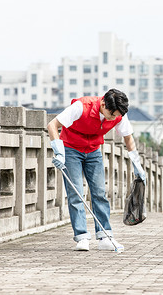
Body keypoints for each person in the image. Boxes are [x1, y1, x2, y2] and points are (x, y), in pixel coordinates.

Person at [47, 89, 146, 251]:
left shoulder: (119, 113)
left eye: (116, 116)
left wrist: (137, 165)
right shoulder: (81, 107)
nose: (113, 118)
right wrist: (58, 151)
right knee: (76, 193)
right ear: (103, 104)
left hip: (93, 151)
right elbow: (52, 125)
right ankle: (82, 237)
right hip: (71, 149)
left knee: (100, 193)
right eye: (111, 114)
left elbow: (128, 138)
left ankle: (105, 236)